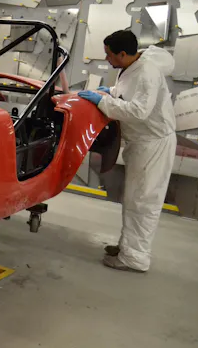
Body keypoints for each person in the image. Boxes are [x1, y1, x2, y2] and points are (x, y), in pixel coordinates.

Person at [77, 30, 176, 273]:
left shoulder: (146, 73)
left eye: (109, 54)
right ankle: (128, 247)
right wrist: (110, 92)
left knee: (142, 201)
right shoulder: (132, 66)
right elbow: (129, 92)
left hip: (153, 144)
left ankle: (135, 258)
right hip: (142, 143)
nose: (106, 58)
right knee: (133, 198)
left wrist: (103, 102)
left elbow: (139, 111)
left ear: (123, 53)